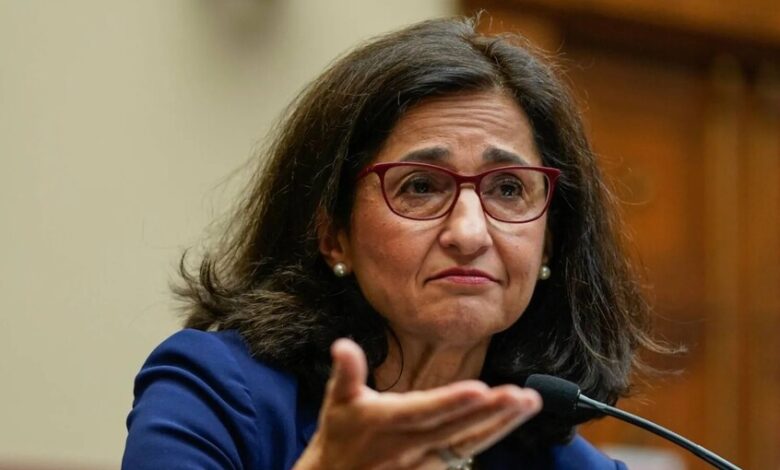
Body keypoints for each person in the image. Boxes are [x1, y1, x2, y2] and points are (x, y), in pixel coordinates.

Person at [122, 16, 665, 469]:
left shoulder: (571, 465)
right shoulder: (216, 391)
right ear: (333, 235)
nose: (470, 233)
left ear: (547, 245)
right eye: (421, 186)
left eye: (507, 189)